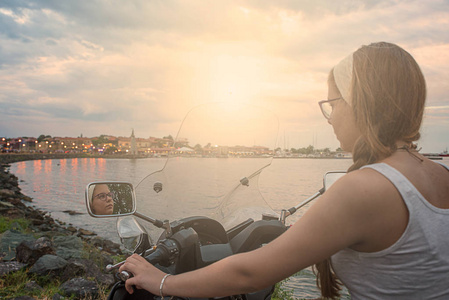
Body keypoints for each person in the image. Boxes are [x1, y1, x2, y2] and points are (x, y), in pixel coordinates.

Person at [119, 42, 449, 299]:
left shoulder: (365, 188)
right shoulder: (439, 175)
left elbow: (250, 274)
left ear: (359, 103)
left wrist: (161, 281)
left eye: (332, 104)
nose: (331, 117)